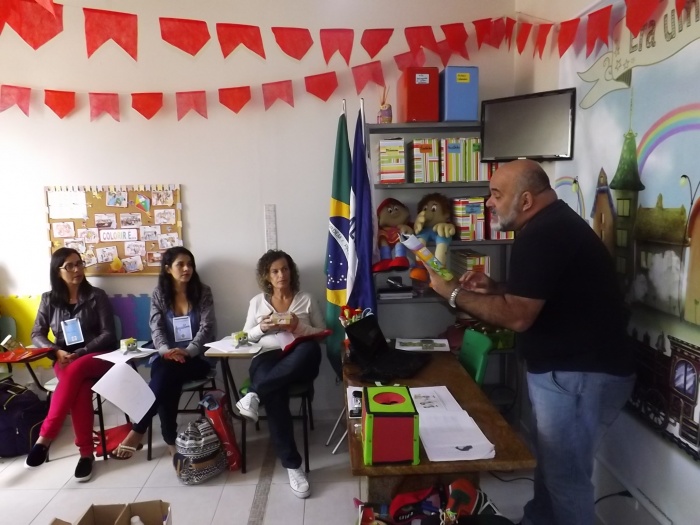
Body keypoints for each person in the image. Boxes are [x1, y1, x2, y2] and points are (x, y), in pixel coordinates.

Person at [426, 160, 635, 525]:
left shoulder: (543, 235)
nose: (489, 203)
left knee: (565, 479)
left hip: (578, 375)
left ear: (525, 200)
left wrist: (453, 293)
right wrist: (497, 288)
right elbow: (545, 293)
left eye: (496, 194)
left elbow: (518, 317)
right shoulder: (553, 224)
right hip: (575, 372)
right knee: (552, 469)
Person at [236, 249, 326, 499]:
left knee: (309, 349)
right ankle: (293, 466)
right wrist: (261, 328)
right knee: (275, 393)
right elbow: (244, 338)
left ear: (291, 271)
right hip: (267, 358)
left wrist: (298, 326)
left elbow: (322, 334)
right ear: (267, 276)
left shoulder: (306, 299)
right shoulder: (257, 302)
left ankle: (254, 394)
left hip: (300, 359)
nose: (281, 275)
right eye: (274, 271)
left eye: (284, 269)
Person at [112, 247, 216, 459]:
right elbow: (156, 327)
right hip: (167, 355)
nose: (187, 269)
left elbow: (207, 327)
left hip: (197, 357)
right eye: (181, 264)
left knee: (165, 375)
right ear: (168, 269)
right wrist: (167, 351)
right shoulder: (160, 294)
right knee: (168, 377)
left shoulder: (203, 292)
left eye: (190, 264)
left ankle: (139, 430)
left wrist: (188, 351)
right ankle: (170, 441)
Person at [26, 247, 118, 482]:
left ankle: (45, 437)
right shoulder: (49, 299)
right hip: (64, 359)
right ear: (57, 271)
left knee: (77, 370)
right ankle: (86, 455)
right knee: (81, 389)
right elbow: (36, 333)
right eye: (69, 266)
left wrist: (82, 352)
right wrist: (56, 351)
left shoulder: (96, 295)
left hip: (98, 356)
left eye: (79, 264)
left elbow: (109, 334)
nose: (77, 269)